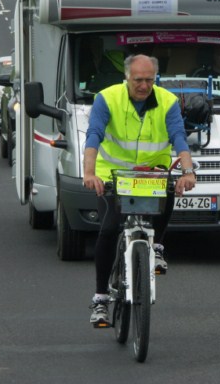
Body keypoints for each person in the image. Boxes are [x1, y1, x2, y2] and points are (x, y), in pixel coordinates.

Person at [83, 54, 197, 327]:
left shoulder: (167, 101)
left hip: (151, 175)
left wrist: (188, 171)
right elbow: (94, 134)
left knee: (170, 188)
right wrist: (88, 173)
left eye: (149, 80)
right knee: (109, 229)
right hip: (112, 176)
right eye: (138, 80)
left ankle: (156, 245)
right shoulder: (107, 98)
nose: (144, 86)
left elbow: (178, 136)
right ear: (126, 78)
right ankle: (100, 298)